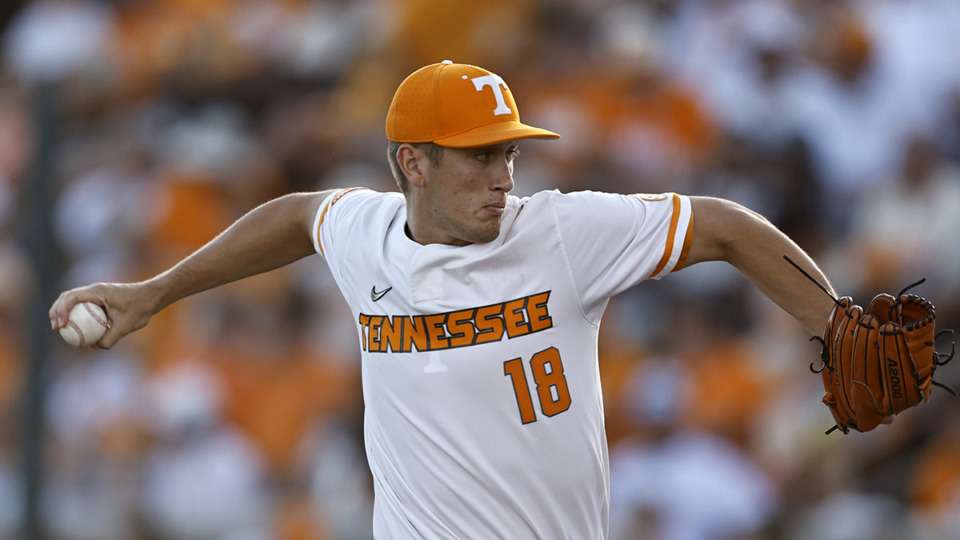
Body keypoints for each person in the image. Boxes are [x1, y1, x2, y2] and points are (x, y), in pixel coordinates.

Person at [51, 60, 838, 539]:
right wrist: (154, 293)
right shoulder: (367, 234)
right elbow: (296, 216)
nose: (502, 174)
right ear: (412, 163)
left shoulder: (564, 234)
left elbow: (726, 226)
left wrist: (836, 328)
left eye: (508, 153)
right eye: (478, 157)